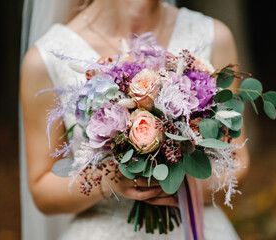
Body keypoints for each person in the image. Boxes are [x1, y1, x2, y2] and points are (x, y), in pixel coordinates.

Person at [20, 0, 250, 239]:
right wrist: (111, 181)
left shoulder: (213, 35)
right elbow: (42, 192)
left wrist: (178, 185)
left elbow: (237, 161)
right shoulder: (44, 59)